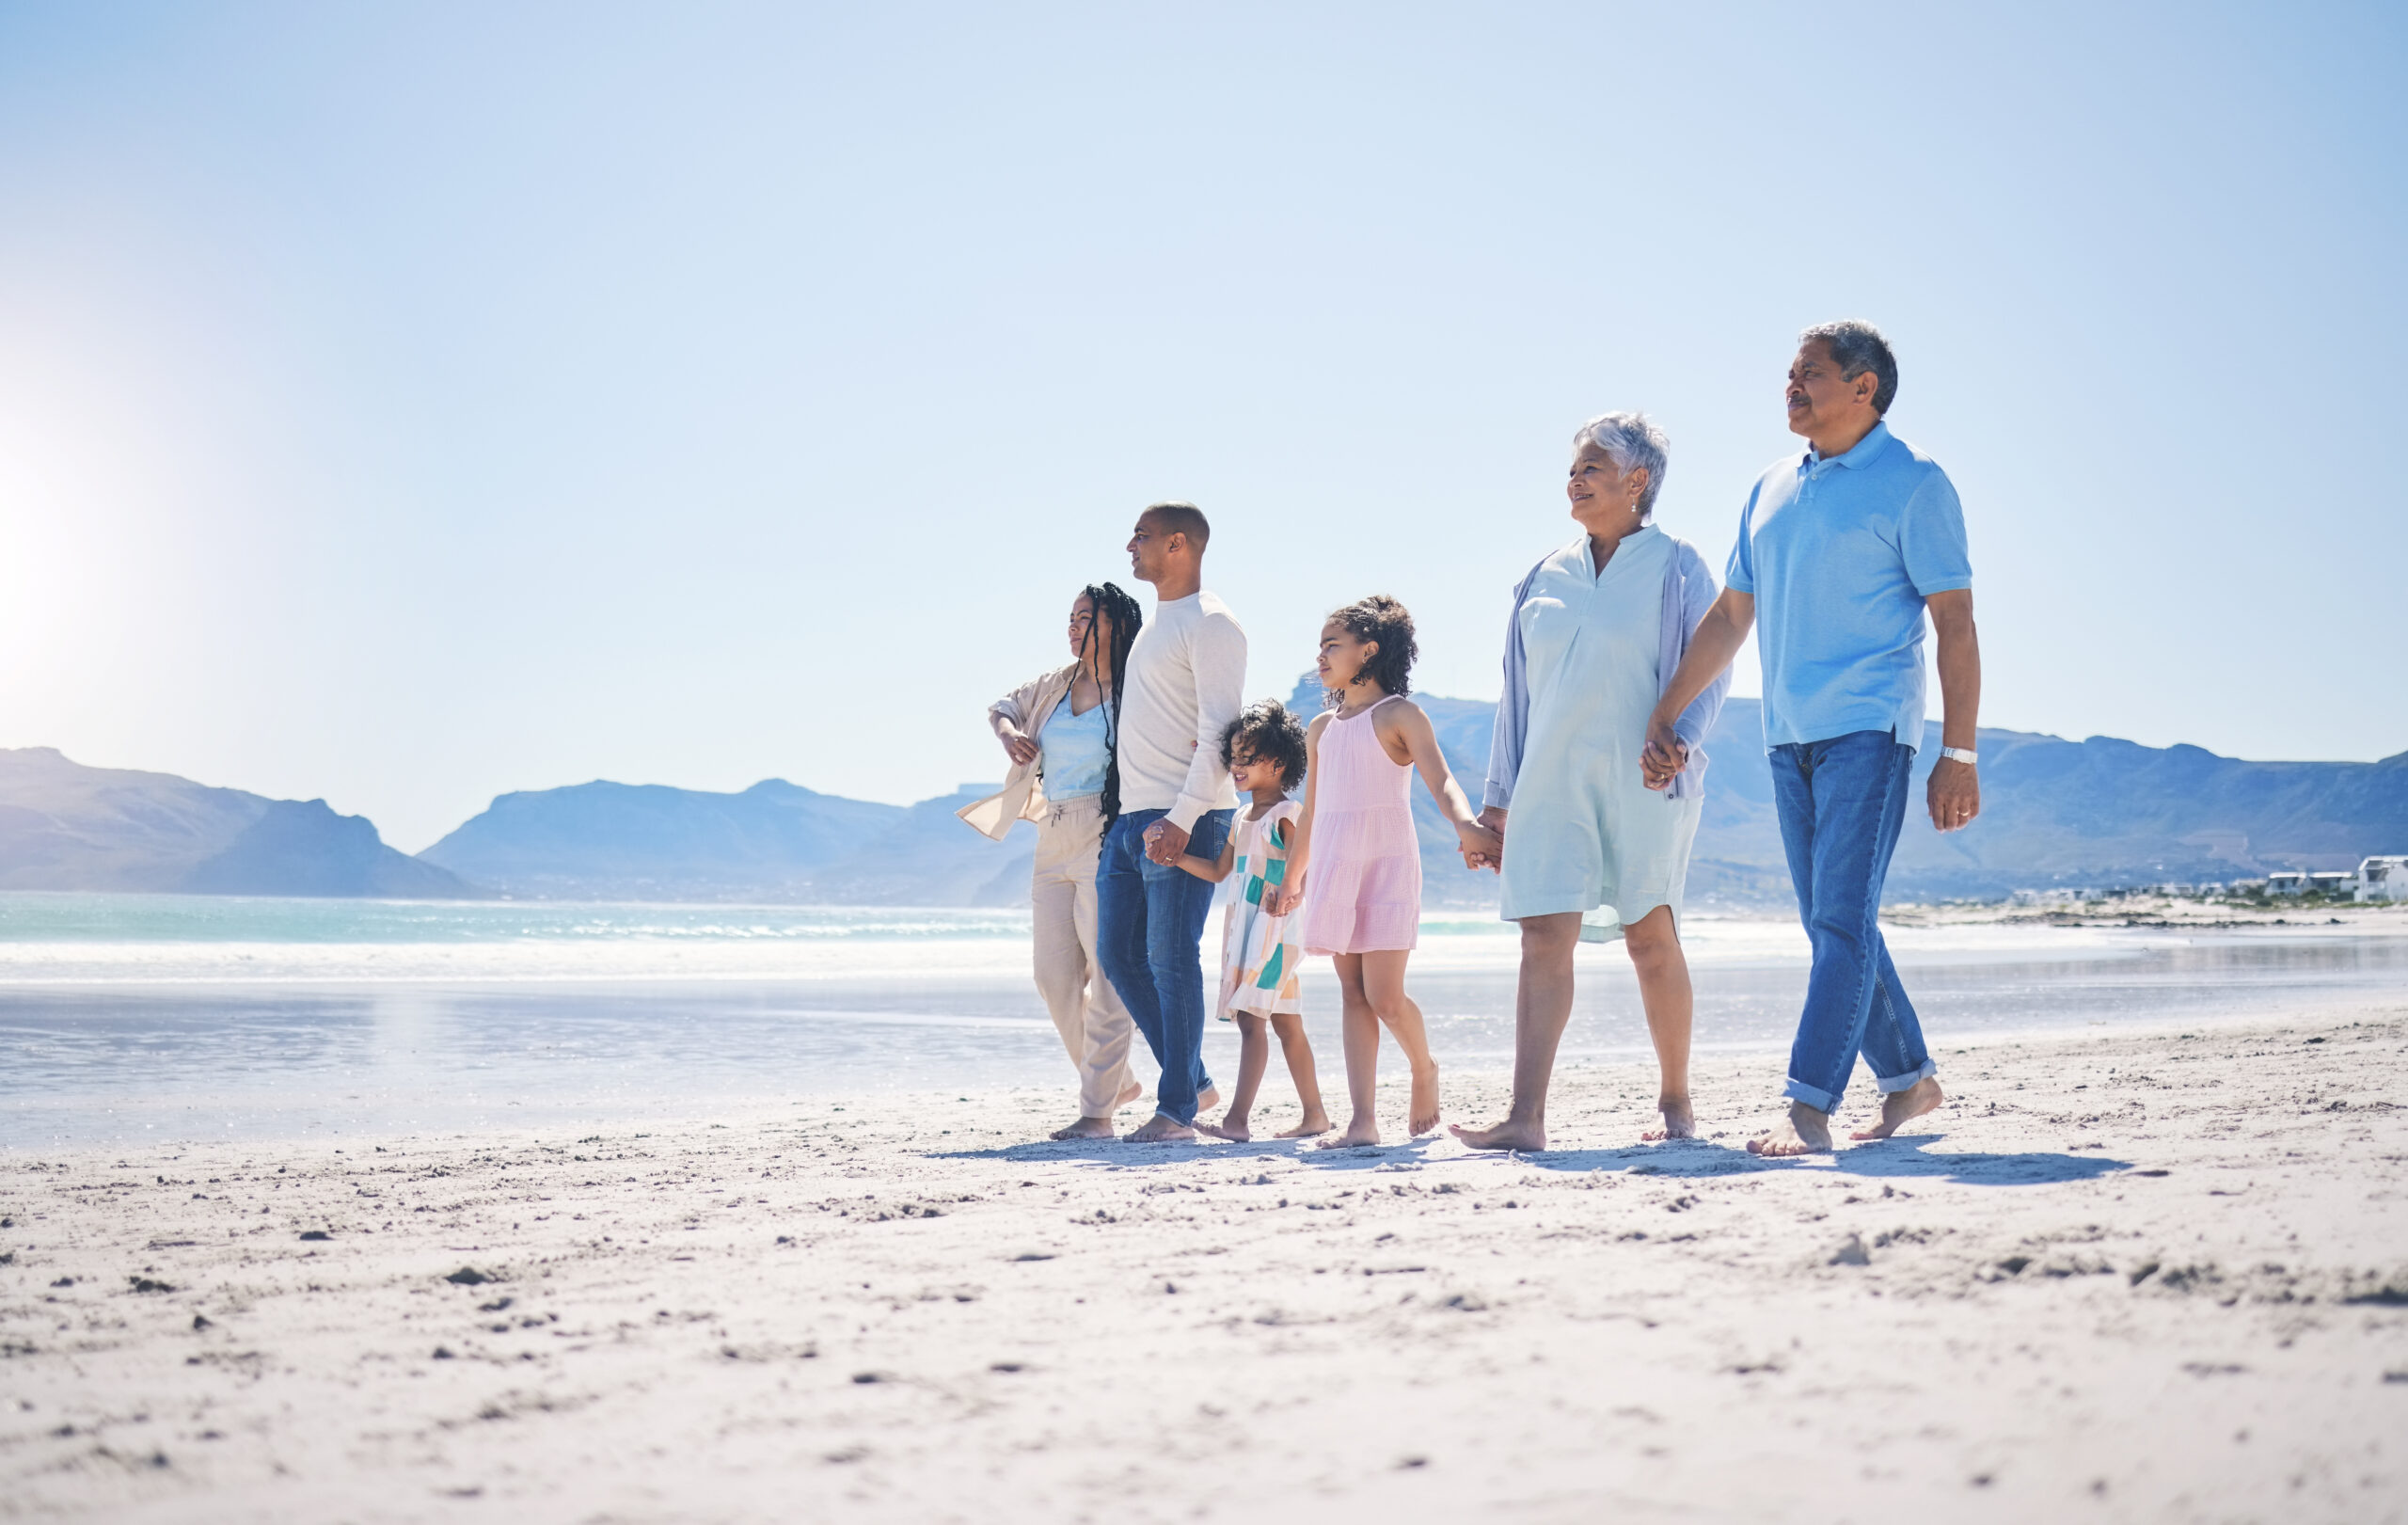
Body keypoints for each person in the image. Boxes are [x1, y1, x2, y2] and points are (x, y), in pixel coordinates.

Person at [1645, 321, 1980, 1156]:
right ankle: (1909, 1079)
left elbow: (1957, 622)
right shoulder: (1768, 486)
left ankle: (1808, 1105)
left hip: (1872, 728)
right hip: (1787, 735)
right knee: (1834, 919)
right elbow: (1730, 616)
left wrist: (1959, 752)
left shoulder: (1916, 482)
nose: (1790, 389)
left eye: (1810, 376)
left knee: (1838, 920)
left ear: (1864, 388)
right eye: (1789, 376)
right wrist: (1669, 711)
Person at [1450, 412, 1732, 1153]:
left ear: (1637, 482)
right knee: (1543, 934)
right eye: (1572, 468)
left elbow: (1710, 666)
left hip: (1644, 777)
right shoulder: (1542, 576)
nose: (1574, 480)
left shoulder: (1677, 565)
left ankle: (1676, 1098)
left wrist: (1681, 741)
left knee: (1650, 935)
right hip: (1548, 782)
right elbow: (1517, 694)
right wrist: (1496, 799)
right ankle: (1525, 1116)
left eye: (1591, 468)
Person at [1268, 596, 1499, 1149]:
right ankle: (1363, 1122)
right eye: (1321, 646)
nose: (1321, 655)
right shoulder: (1321, 728)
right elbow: (1314, 810)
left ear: (1368, 650)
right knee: (1352, 993)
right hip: (1334, 865)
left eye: (1333, 645)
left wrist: (1465, 825)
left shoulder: (1399, 714)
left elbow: (1440, 779)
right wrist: (1293, 876)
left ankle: (1424, 1068)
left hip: (1387, 863)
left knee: (1386, 996)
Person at [958, 584, 1149, 1140]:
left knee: (1109, 974)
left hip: (1107, 831)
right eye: (1070, 617)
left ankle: (1098, 1112)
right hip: (1052, 832)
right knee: (1054, 976)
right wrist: (1011, 734)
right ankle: (1119, 1081)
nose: (1073, 627)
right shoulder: (1055, 685)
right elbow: (1002, 707)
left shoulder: (1138, 688)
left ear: (1115, 625)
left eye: (1085, 618)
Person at [1096, 501, 1245, 1144]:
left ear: (1179, 545)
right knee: (1119, 954)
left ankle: (1177, 1110)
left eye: (1144, 536)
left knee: (1170, 957)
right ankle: (1194, 1081)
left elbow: (1221, 729)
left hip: (1184, 815)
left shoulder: (1213, 624)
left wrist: (1182, 818)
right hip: (1133, 819)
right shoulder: (1156, 627)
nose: (1131, 546)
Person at [1170, 700, 1331, 1142]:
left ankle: (1236, 1121)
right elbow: (1222, 871)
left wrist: (1292, 892)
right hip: (1248, 929)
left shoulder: (1287, 815)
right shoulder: (1242, 817)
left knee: (1251, 1022)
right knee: (1285, 1024)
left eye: (1248, 757)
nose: (1237, 766)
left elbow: (1310, 862)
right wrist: (1177, 857)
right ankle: (1315, 1115)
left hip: (1275, 933)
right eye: (1234, 758)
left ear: (1278, 763)